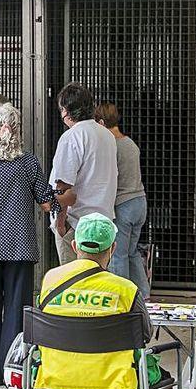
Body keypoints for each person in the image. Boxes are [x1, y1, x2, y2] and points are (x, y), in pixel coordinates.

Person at [0, 103, 73, 386]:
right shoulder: (29, 162)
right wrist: (66, 198)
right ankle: (13, 372)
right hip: (20, 246)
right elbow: (47, 204)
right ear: (16, 129)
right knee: (18, 310)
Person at [34, 213, 171, 389]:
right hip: (114, 383)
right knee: (162, 379)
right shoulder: (126, 290)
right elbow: (145, 334)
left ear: (74, 246)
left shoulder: (50, 280)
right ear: (112, 248)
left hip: (55, 379)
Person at [50, 82, 118, 265]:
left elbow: (63, 186)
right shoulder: (107, 135)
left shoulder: (72, 136)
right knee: (97, 281)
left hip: (77, 225)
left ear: (65, 110)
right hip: (103, 223)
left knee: (73, 281)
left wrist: (60, 224)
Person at [95, 102, 150, 298]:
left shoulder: (112, 147)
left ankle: (121, 297)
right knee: (132, 252)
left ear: (101, 122)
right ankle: (144, 294)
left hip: (123, 205)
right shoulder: (131, 144)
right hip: (139, 202)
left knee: (117, 255)